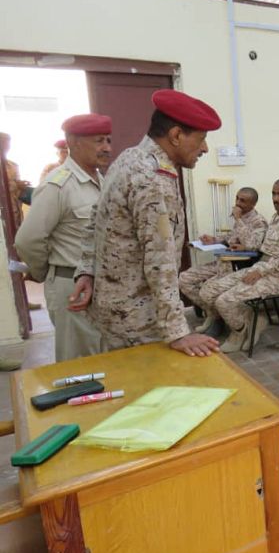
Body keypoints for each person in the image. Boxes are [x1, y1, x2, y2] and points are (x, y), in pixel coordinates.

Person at [70, 89, 221, 357]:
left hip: (115, 310)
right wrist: (178, 332)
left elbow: (96, 219)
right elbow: (159, 260)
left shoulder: (129, 158)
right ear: (176, 135)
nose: (205, 148)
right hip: (139, 322)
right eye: (201, 139)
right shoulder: (154, 178)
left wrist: (86, 270)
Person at [15, 114, 111, 362]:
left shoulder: (101, 180)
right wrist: (46, 272)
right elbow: (28, 240)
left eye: (108, 140)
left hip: (102, 285)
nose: (107, 148)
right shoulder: (57, 185)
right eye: (99, 141)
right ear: (74, 143)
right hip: (71, 285)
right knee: (80, 365)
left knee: (104, 361)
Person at [198, 179, 279, 353]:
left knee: (224, 301)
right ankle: (252, 320)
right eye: (274, 194)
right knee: (208, 290)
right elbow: (261, 245)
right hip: (260, 267)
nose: (276, 198)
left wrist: (261, 270)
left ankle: (238, 331)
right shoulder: (276, 217)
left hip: (277, 276)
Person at [178, 187, 268, 332]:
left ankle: (218, 319)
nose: (237, 203)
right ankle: (213, 313)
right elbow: (232, 238)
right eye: (237, 198)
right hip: (223, 262)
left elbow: (252, 245)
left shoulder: (259, 222)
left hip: (237, 265)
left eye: (243, 201)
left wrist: (238, 219)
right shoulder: (242, 216)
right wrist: (214, 240)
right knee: (184, 278)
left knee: (207, 289)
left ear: (253, 204)